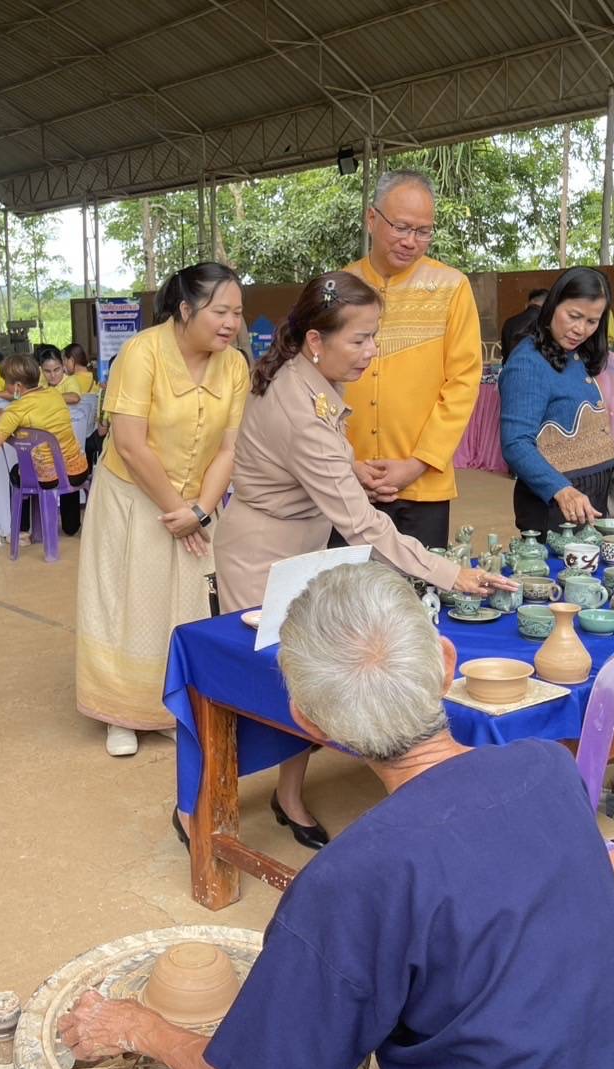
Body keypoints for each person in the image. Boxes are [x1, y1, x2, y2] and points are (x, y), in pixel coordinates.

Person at [60, 562, 614, 1069]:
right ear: (446, 664)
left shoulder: (352, 880)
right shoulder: (548, 767)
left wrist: (138, 1026)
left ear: (308, 722)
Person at [214, 272, 511, 848]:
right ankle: (204, 802)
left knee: (302, 677)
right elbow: (364, 525)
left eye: (375, 337)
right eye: (361, 340)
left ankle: (288, 793)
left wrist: (349, 469)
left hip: (302, 543)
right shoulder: (301, 404)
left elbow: (303, 463)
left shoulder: (306, 377)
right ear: (316, 341)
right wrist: (453, 573)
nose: (371, 353)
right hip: (263, 555)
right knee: (257, 689)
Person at [75, 263, 248, 757]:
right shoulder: (142, 351)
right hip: (134, 496)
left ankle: (170, 706)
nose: (230, 323)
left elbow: (228, 449)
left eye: (236, 313)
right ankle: (120, 712)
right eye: (220, 311)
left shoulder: (234, 364)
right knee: (130, 602)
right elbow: (129, 444)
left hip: (194, 502)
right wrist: (178, 510)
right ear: (186, 309)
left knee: (188, 602)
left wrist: (202, 511)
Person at [341, 170, 482, 549]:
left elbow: (464, 381)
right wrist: (345, 463)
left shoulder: (452, 287)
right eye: (401, 227)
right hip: (346, 483)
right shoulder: (339, 287)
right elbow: (313, 384)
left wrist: (417, 463)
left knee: (418, 600)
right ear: (372, 219)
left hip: (423, 484)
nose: (411, 242)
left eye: (423, 231)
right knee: (341, 602)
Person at [499, 268, 614, 533]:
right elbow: (516, 443)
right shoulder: (528, 361)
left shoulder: (579, 355)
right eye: (573, 316)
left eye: (592, 321)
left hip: (589, 499)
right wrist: (561, 489)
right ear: (553, 305)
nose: (580, 329)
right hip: (557, 504)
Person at [0, 352, 91, 536]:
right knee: (64, 457)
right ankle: (71, 526)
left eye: (6, 383)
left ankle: (23, 532)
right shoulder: (55, 394)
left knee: (19, 471)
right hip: (79, 471)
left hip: (48, 479)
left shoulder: (16, 410)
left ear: (17, 386)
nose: (5, 387)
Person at [500, 286, 547, 358]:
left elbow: (505, 354)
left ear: (527, 304)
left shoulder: (509, 322)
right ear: (547, 306)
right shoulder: (546, 323)